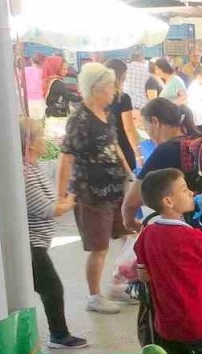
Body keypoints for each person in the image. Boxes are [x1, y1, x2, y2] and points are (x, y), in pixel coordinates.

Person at [125, 98, 202, 354]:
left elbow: (134, 198)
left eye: (146, 128)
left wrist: (128, 218)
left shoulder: (166, 151)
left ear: (156, 122)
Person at [134, 170, 202, 354]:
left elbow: (144, 275)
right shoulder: (193, 238)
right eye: (184, 190)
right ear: (169, 201)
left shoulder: (146, 234)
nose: (192, 193)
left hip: (167, 324)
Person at [58, 62, 135, 314]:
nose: (114, 91)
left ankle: (118, 283)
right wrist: (63, 195)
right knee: (99, 247)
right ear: (96, 89)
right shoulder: (79, 119)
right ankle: (94, 296)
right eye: (110, 87)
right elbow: (66, 158)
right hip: (91, 192)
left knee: (128, 234)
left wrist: (128, 171)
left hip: (115, 188)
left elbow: (114, 145)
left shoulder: (107, 113)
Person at [19, 117, 88, 350]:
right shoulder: (25, 173)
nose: (44, 140)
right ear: (29, 144)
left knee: (45, 288)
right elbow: (47, 208)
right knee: (51, 288)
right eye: (40, 137)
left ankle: (55, 334)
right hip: (29, 244)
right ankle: (58, 335)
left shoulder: (32, 168)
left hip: (36, 242)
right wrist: (70, 202)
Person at [105, 59, 142, 172]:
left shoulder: (98, 96)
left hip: (104, 146)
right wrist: (138, 153)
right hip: (122, 145)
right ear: (120, 75)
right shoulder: (123, 98)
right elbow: (129, 128)